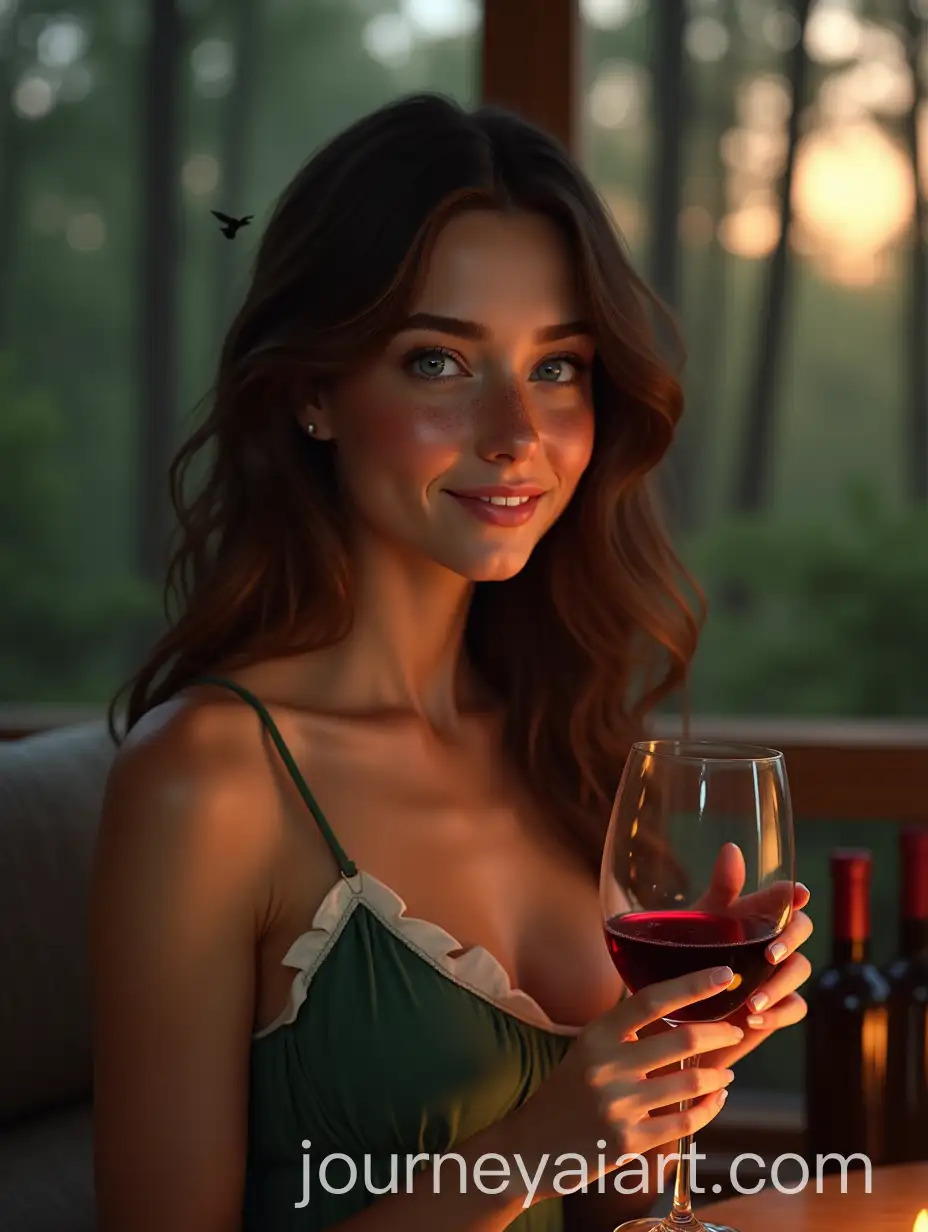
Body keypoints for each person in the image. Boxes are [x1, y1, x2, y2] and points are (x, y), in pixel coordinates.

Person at [89, 93, 812, 1232]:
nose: (515, 431)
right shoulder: (209, 779)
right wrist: (537, 1143)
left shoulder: (551, 732)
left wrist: (678, 1057)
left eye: (559, 367)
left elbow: (609, 1200)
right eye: (438, 361)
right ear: (314, 393)